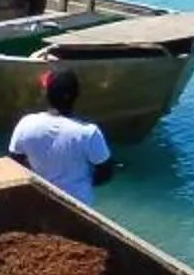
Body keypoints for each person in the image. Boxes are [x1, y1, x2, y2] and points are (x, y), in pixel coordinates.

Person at [7, 65, 116, 205]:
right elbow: (106, 173)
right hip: (78, 204)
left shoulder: (26, 123)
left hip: (38, 200)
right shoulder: (89, 132)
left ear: (47, 94)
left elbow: (14, 163)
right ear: (76, 95)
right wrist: (84, 182)